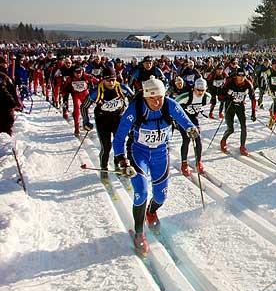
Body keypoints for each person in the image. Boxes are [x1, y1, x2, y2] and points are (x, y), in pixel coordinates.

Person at [113, 78, 198, 256]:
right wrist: (122, 159)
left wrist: (190, 129)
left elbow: (184, 119)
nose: (158, 102)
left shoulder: (169, 105)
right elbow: (120, 136)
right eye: (153, 99)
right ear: (145, 96)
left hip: (160, 154)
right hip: (139, 153)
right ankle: (139, 233)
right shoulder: (135, 108)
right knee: (142, 192)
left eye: (160, 97)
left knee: (161, 196)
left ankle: (151, 212)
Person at [82, 67, 133, 182]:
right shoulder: (96, 92)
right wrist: (86, 121)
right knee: (106, 147)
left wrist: (131, 117)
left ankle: (118, 163)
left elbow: (135, 101)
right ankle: (104, 168)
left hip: (118, 119)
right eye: (108, 80)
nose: (111, 82)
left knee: (119, 144)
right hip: (102, 120)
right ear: (103, 80)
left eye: (113, 79)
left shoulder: (122, 88)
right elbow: (84, 106)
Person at [174, 78, 213, 176]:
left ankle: (198, 161)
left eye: (202, 90)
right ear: (193, 89)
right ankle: (184, 163)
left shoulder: (207, 97)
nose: (200, 93)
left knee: (198, 139)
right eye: (198, 90)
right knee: (186, 139)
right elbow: (173, 104)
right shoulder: (186, 96)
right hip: (183, 119)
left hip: (193, 118)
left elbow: (209, 101)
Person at [220, 70, 257, 155]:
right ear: (236, 76)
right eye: (239, 76)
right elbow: (220, 96)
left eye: (243, 77)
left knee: (244, 126)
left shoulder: (248, 84)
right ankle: (223, 140)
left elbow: (253, 99)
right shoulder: (230, 82)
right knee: (231, 129)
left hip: (240, 106)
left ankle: (242, 146)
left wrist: (253, 112)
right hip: (230, 106)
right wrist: (227, 97)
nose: (240, 79)